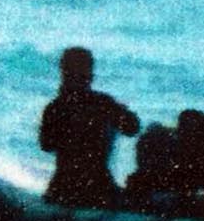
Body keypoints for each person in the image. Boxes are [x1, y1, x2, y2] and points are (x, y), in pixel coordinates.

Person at [38, 47, 140, 208]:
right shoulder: (102, 103)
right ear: (90, 74)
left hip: (63, 188)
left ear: (63, 72)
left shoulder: (54, 107)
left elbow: (46, 145)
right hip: (98, 187)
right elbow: (132, 127)